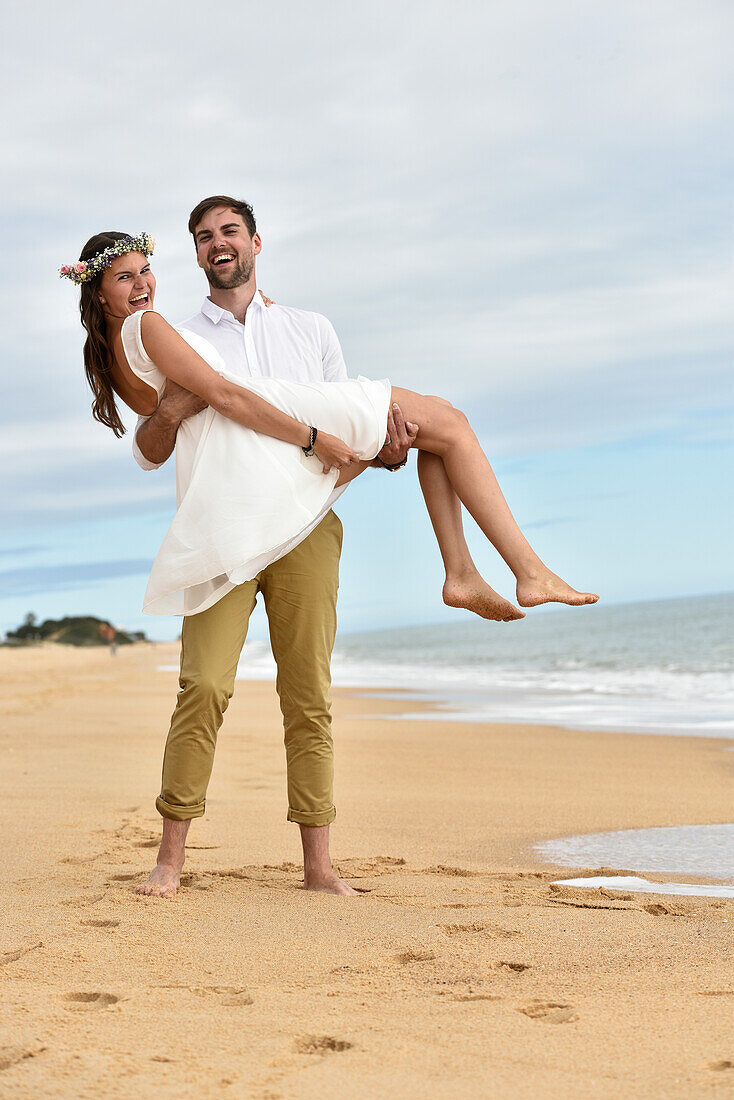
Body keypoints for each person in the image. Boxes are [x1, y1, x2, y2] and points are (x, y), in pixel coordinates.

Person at [65, 200, 597, 898]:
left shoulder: (308, 328)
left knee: (310, 690)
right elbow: (179, 426)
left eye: (228, 232)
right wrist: (290, 433)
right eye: (202, 238)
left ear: (255, 241)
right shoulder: (166, 330)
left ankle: (320, 862)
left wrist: (375, 453)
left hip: (306, 510)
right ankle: (507, 572)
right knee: (203, 686)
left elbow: (341, 440)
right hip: (227, 524)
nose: (142, 282)